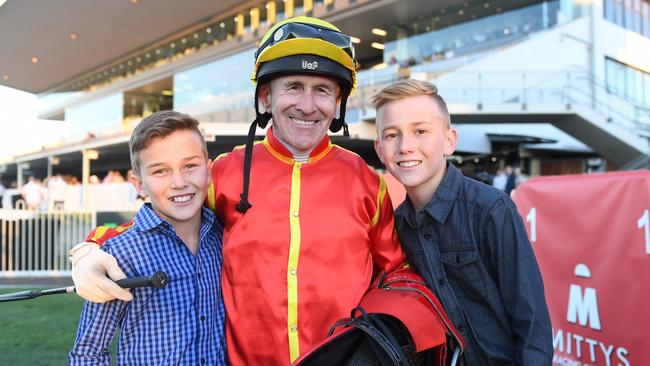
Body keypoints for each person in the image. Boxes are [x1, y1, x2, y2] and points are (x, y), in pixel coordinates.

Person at [69, 16, 404, 365]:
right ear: (265, 96)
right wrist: (88, 250)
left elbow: (396, 272)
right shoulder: (226, 172)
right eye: (293, 86)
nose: (307, 105)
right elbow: (162, 223)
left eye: (322, 90)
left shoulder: (367, 181)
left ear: (338, 102)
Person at [372, 79, 553, 365]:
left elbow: (532, 323)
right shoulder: (396, 226)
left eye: (420, 131)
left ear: (449, 141)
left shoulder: (491, 210)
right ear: (380, 149)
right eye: (392, 135)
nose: (406, 146)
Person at [69, 110, 226, 365]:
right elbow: (88, 352)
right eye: (160, 171)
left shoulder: (224, 237)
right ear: (139, 184)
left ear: (208, 171)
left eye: (190, 166)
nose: (179, 182)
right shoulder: (118, 254)